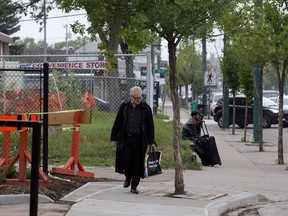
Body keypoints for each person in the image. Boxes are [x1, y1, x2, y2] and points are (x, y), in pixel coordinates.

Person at [110, 86, 155, 194]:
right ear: (131, 97)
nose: (138, 100)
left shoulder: (146, 108)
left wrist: (151, 141)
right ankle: (128, 177)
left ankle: (134, 185)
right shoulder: (124, 107)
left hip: (140, 140)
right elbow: (118, 122)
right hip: (126, 139)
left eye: (140, 97)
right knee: (126, 161)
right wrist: (114, 138)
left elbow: (150, 125)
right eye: (136, 98)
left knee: (137, 163)